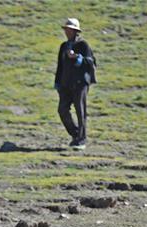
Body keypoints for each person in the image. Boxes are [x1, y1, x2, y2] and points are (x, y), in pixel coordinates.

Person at [54, 18, 97, 149]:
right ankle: (76, 133)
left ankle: (81, 140)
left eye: (69, 29)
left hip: (80, 83)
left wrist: (78, 57)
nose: (67, 31)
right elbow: (60, 66)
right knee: (62, 109)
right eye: (66, 29)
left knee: (80, 110)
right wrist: (57, 83)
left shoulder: (83, 45)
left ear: (75, 31)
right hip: (65, 83)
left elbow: (91, 62)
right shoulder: (63, 46)